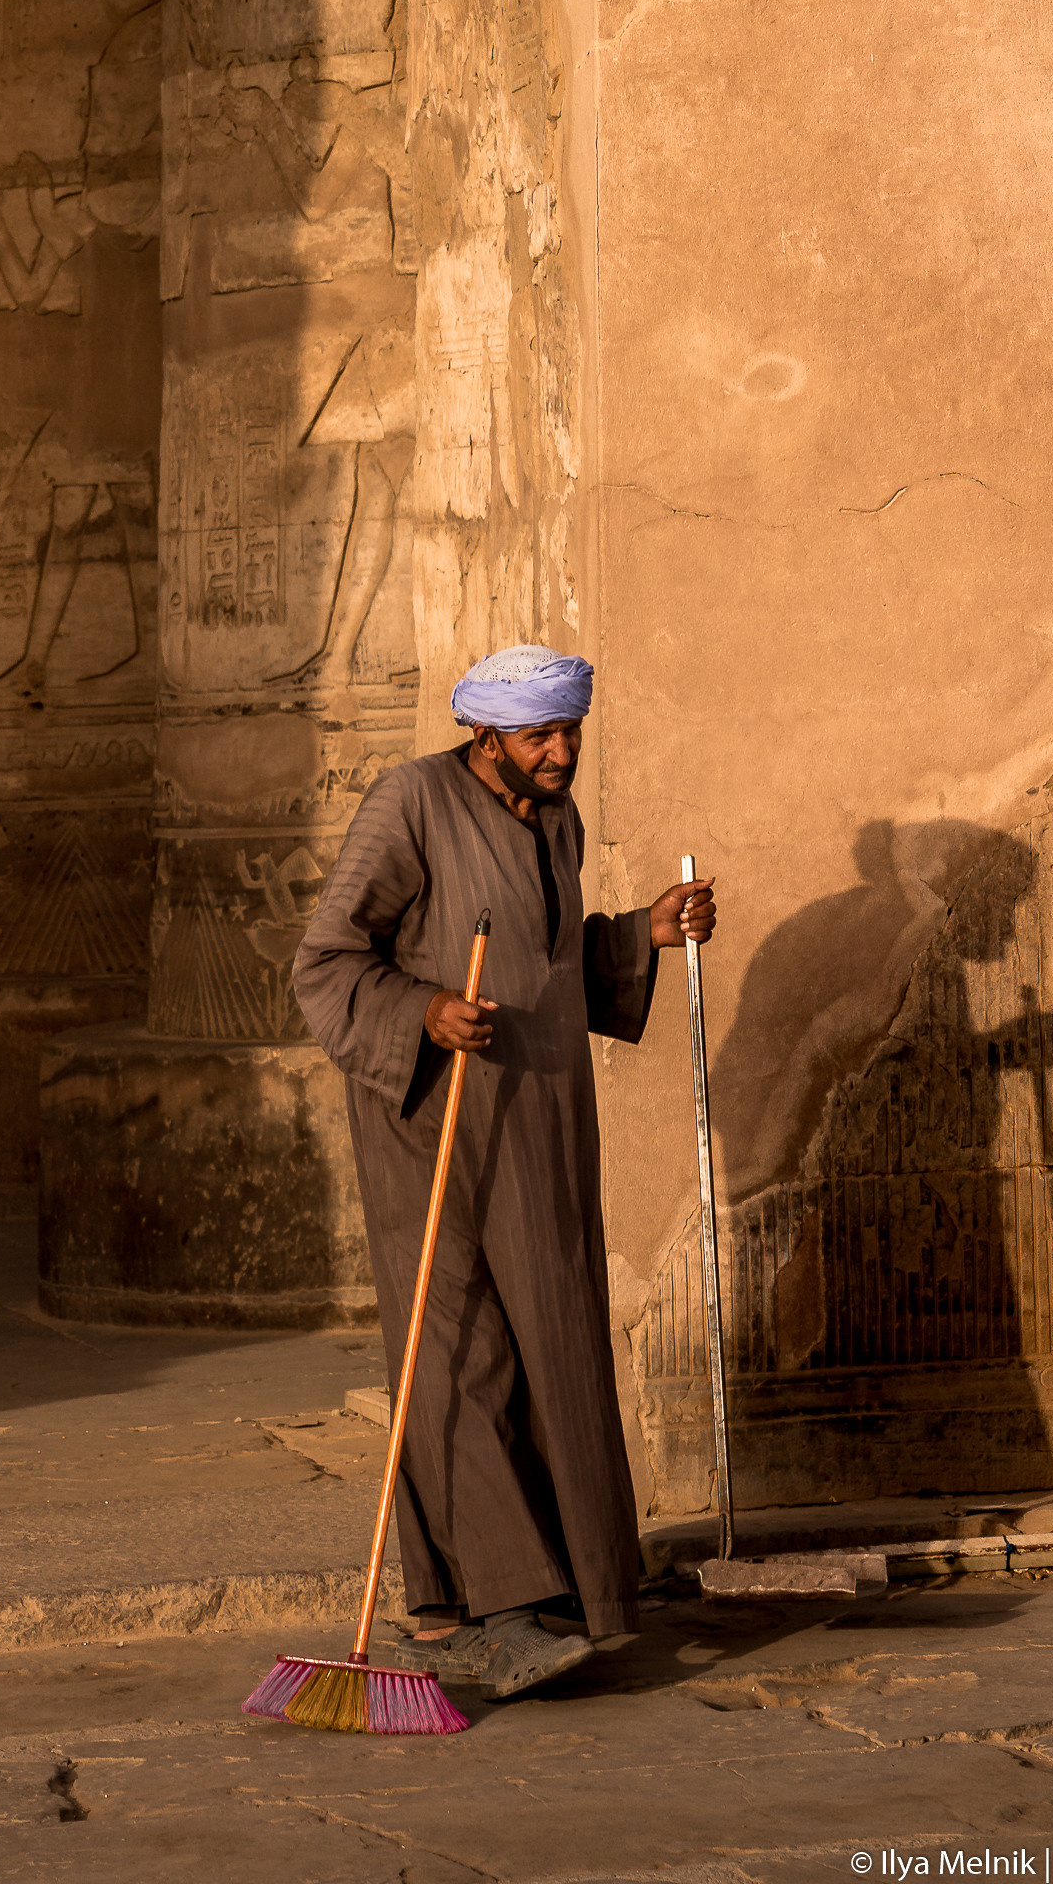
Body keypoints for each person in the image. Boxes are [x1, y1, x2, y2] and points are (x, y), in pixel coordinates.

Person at [291, 644, 717, 1700]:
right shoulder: (409, 802)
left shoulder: (554, 814)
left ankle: (570, 1582)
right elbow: (326, 961)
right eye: (538, 736)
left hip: (539, 1114)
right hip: (433, 1114)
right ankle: (482, 1607)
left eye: (568, 731)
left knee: (553, 1336)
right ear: (484, 736)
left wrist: (640, 934)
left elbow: (546, 950)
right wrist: (422, 1011)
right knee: (458, 1342)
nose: (560, 751)